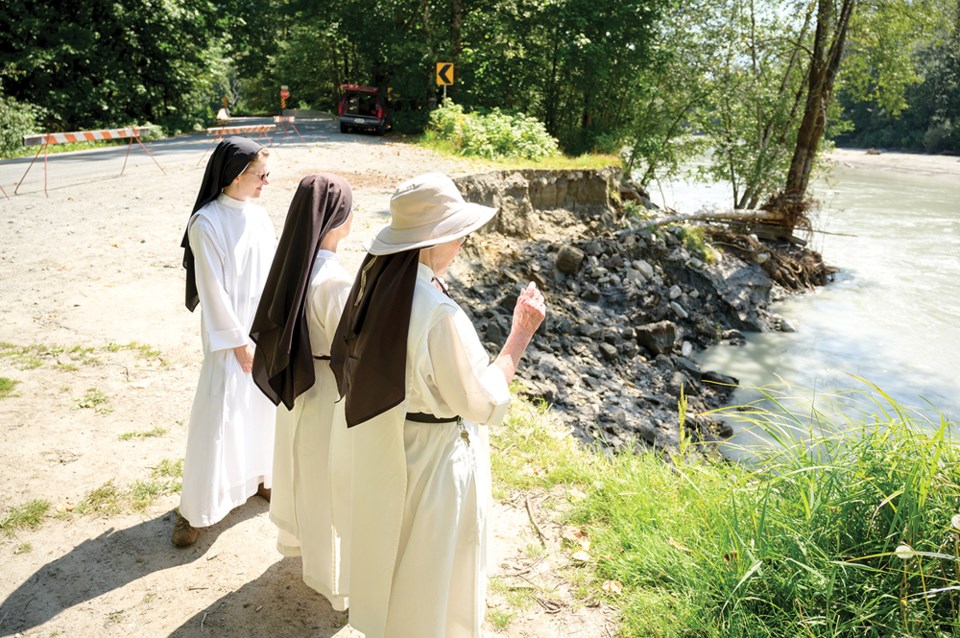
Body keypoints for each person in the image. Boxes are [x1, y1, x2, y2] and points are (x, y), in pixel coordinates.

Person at [330, 172, 546, 638]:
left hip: (390, 442)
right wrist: (519, 336)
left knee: (398, 558)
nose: (464, 243)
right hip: (435, 461)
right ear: (432, 240)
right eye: (459, 233)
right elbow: (478, 402)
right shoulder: (438, 313)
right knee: (435, 571)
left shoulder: (376, 286)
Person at [249, 174, 355, 610]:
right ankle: (332, 578)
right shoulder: (333, 279)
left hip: (299, 383)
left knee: (304, 472)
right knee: (331, 481)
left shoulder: (296, 265)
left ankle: (305, 547)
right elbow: (351, 343)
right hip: (326, 388)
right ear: (337, 218)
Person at [174, 136, 278, 548]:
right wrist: (238, 343)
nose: (266, 183)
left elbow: (271, 275)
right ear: (236, 175)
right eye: (261, 175)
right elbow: (212, 290)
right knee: (219, 417)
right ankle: (195, 509)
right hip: (229, 341)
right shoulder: (206, 223)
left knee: (260, 409)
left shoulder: (259, 217)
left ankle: (259, 477)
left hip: (260, 333)